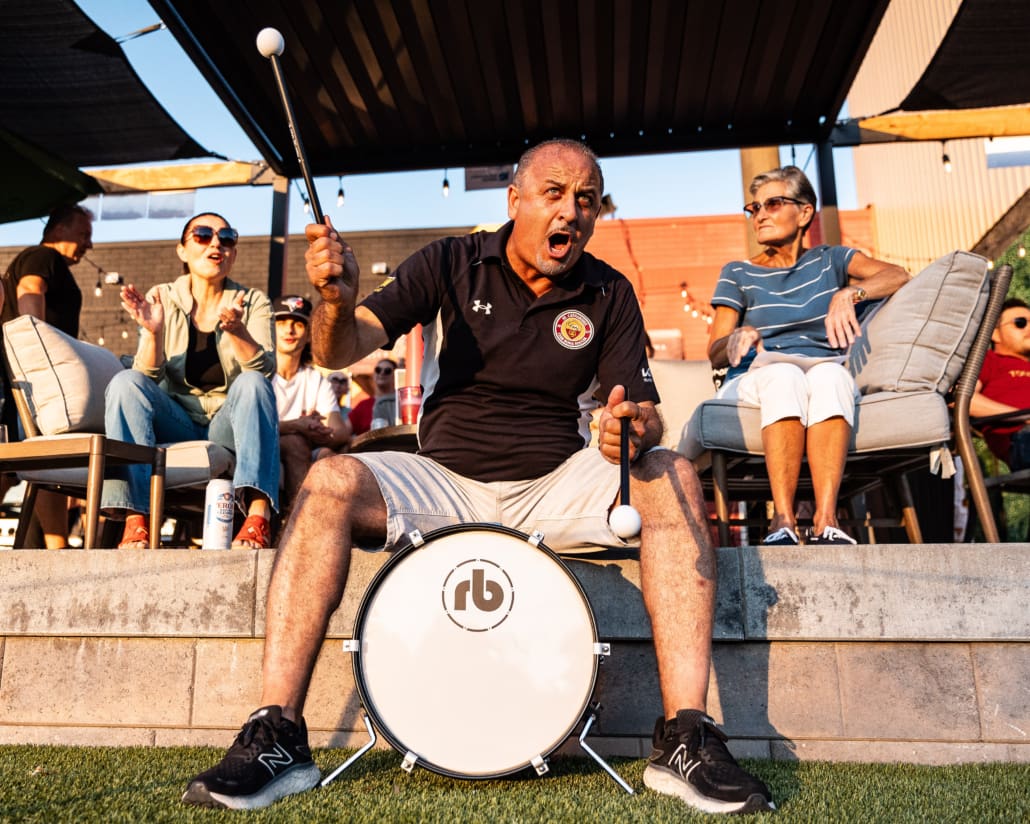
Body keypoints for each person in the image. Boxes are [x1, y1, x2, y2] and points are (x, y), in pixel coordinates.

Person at [181, 139, 773, 815]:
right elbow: (339, 348)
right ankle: (277, 734)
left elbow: (643, 416)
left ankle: (685, 737)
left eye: (586, 199)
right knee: (326, 483)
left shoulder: (609, 290)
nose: (572, 212)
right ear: (514, 201)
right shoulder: (451, 260)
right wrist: (336, 301)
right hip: (443, 480)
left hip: (556, 480)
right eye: (554, 193)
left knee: (669, 475)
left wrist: (628, 428)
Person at [708, 166, 909, 546]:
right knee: (785, 376)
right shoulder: (738, 273)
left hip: (821, 371)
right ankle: (782, 520)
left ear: (804, 213)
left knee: (831, 378)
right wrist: (737, 337)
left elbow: (897, 275)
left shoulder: (831, 260)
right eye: (754, 208)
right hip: (755, 379)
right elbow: (714, 353)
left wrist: (850, 293)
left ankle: (826, 521)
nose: (760, 214)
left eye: (773, 203)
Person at [102, 212, 279, 549]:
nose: (216, 243)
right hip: (178, 420)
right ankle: (136, 518)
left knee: (253, 384)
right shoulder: (164, 296)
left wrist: (239, 332)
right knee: (126, 382)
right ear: (182, 250)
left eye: (227, 237)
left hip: (226, 423)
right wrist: (154, 334)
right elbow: (147, 378)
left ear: (234, 253)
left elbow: (264, 371)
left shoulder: (253, 301)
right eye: (202, 235)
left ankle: (259, 515)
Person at [1, 204, 94, 548]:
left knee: (20, 463)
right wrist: (38, 349)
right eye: (84, 234)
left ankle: (57, 548)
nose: (89, 245)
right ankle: (57, 548)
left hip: (28, 377)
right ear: (59, 230)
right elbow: (30, 289)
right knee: (43, 455)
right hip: (35, 379)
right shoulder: (43, 256)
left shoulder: (44, 258)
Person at [272, 294, 351, 512]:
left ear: (308, 335)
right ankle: (297, 523)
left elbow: (339, 431)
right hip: (265, 448)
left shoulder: (315, 378)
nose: (289, 330)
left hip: (305, 449)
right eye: (282, 323)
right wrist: (299, 426)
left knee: (328, 457)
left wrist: (311, 429)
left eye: (298, 324)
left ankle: (331, 524)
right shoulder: (260, 374)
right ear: (271, 328)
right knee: (294, 442)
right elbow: (252, 429)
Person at [972, 298, 1030, 469]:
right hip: (1021, 438)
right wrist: (1025, 415)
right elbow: (964, 400)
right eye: (1020, 323)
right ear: (995, 334)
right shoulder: (989, 360)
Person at [348, 357, 397, 433]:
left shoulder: (399, 403)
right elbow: (344, 431)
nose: (382, 373)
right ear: (374, 375)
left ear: (395, 376)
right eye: (378, 370)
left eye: (387, 371)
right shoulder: (363, 405)